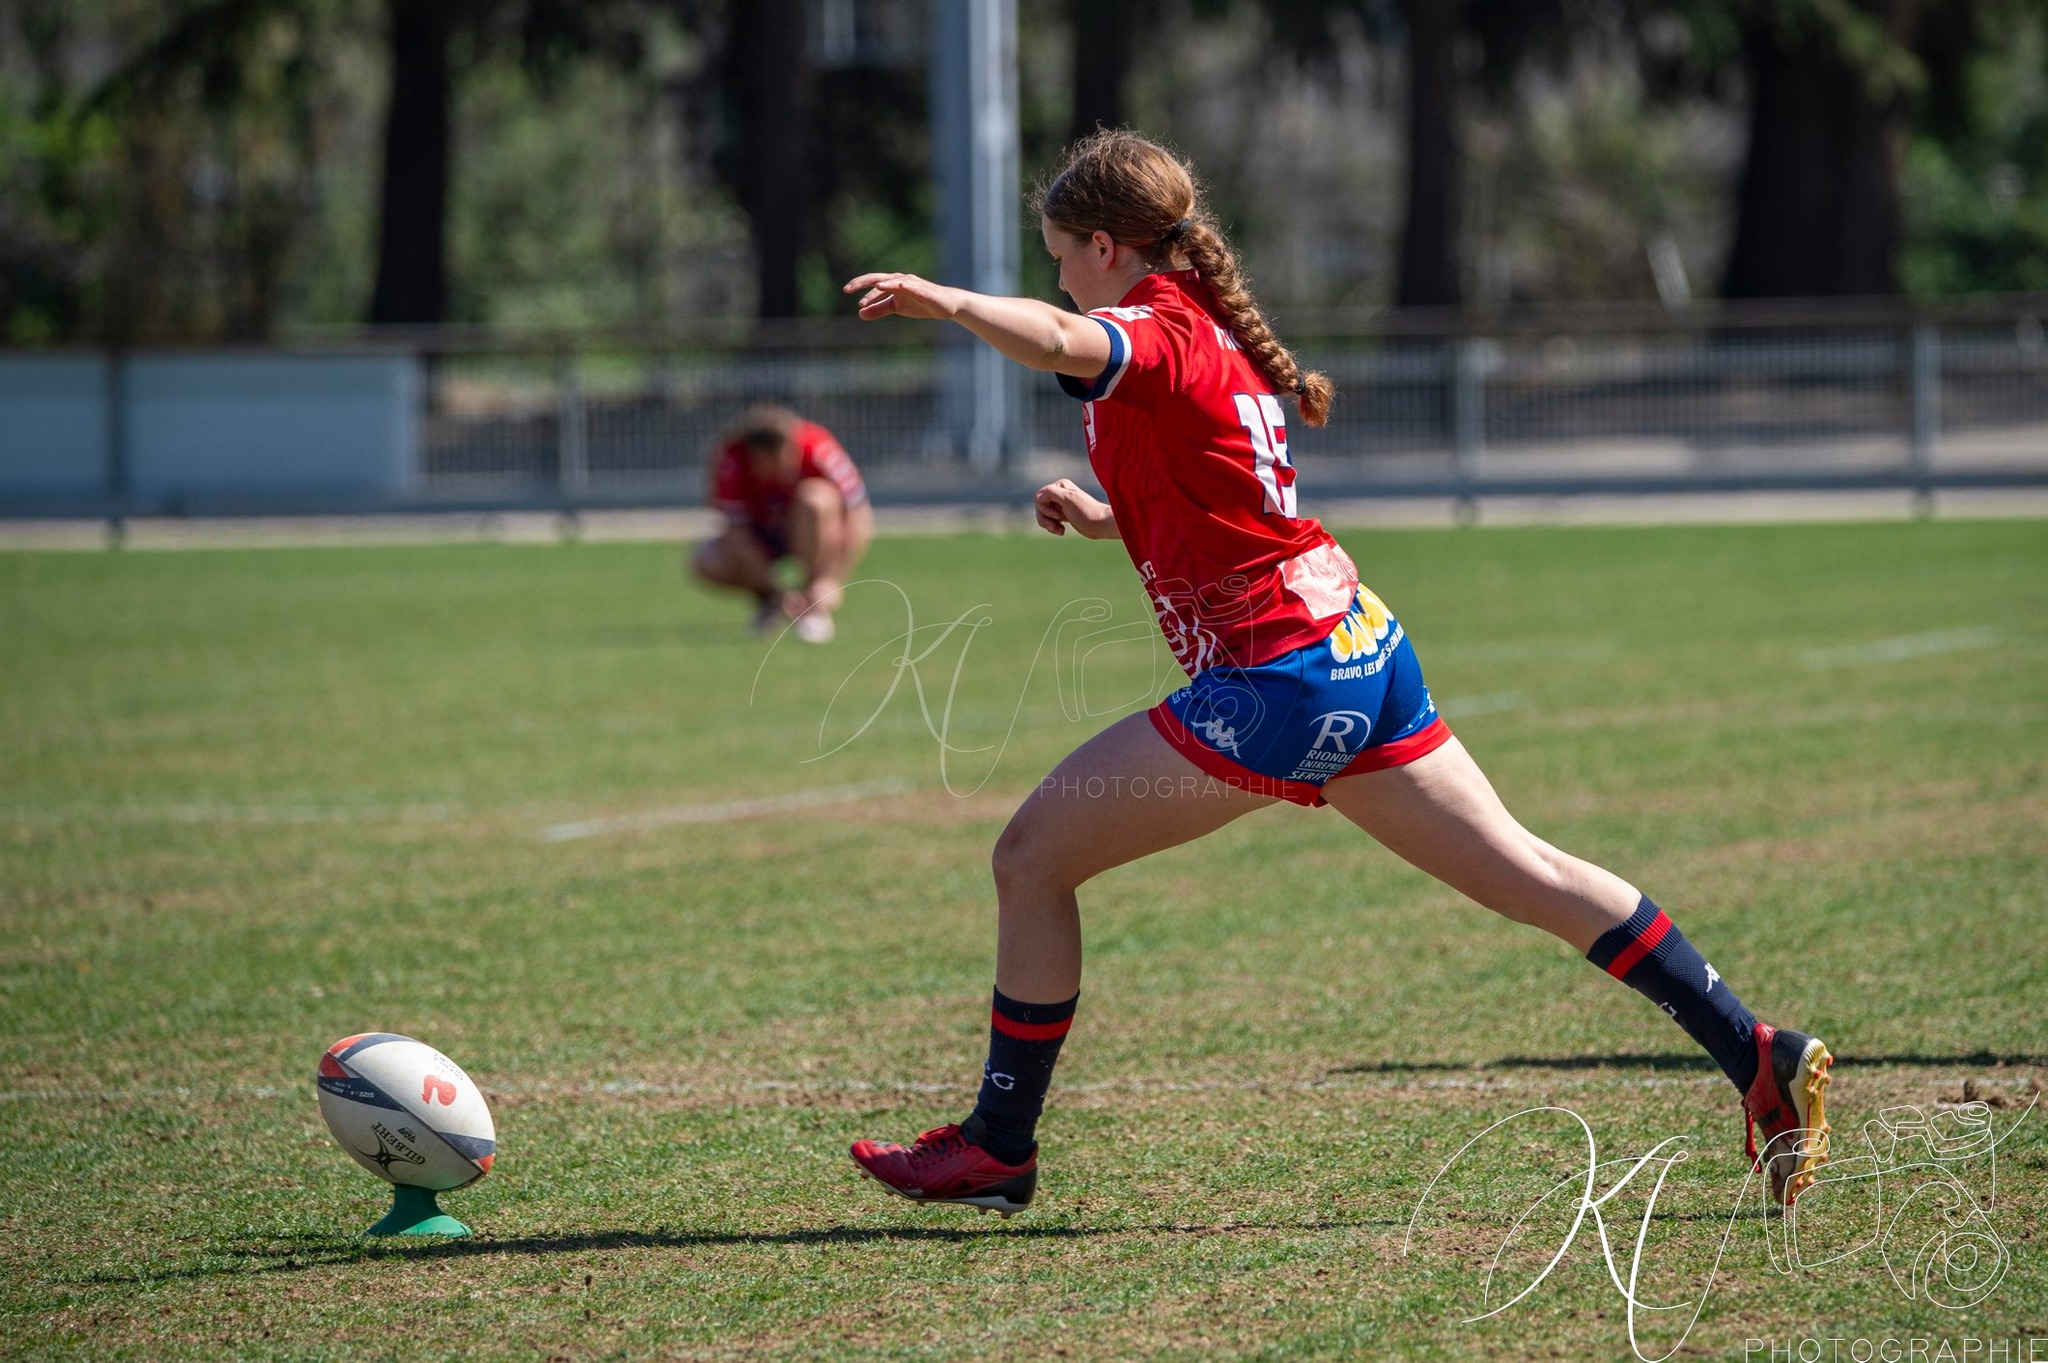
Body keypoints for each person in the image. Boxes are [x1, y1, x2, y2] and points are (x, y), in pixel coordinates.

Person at [839, 131, 1835, 1218]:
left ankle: (996, 1144)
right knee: (1526, 873)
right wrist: (1108, 516)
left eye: (1060, 257)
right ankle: (1756, 1053)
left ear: (1103, 245)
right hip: (1356, 646)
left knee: (1030, 858)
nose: (1057, 279)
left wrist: (948, 300)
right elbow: (1227, 494)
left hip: (1277, 678)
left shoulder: (1155, 326)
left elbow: (1059, 337)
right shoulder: (1213, 327)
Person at [690, 405, 873, 643]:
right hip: (762, 536)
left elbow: (859, 515)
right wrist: (776, 591)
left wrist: (831, 579)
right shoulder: (731, 460)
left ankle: (813, 601)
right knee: (706, 560)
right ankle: (772, 604)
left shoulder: (819, 448)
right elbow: (736, 532)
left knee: (815, 500)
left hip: (807, 529)